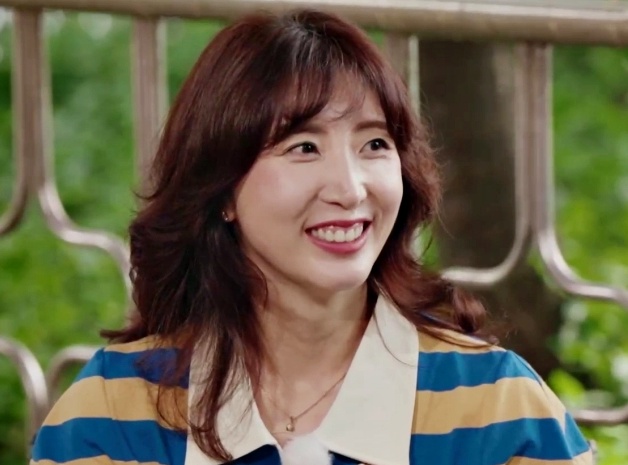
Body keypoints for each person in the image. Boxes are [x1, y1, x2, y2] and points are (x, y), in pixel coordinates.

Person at [30, 8, 593, 465]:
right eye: (304, 147)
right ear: (221, 190)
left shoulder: (497, 411)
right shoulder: (114, 412)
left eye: (374, 145)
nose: (350, 188)